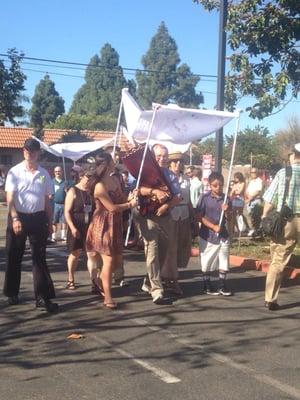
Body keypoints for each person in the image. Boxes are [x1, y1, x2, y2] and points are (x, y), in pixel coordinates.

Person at [3, 138, 58, 313]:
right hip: (19, 217)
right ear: (23, 151)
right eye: (27, 151)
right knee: (14, 255)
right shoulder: (15, 171)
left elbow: (47, 201)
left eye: (33, 151)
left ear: (38, 153)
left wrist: (50, 222)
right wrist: (15, 218)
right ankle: (12, 293)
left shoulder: (43, 174)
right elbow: (10, 198)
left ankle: (42, 297)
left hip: (38, 218)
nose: (30, 154)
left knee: (39, 258)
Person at [86, 152, 137, 309]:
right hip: (102, 225)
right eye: (112, 159)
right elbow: (112, 208)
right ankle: (108, 296)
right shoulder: (99, 186)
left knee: (115, 260)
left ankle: (100, 281)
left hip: (115, 224)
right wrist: (130, 205)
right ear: (107, 163)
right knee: (108, 261)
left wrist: (131, 197)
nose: (116, 160)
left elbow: (121, 200)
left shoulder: (115, 179)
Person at [135, 143, 182, 304]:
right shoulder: (145, 172)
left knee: (162, 252)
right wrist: (154, 191)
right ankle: (157, 289)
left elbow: (177, 197)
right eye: (159, 156)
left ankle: (148, 282)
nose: (162, 159)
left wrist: (166, 206)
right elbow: (137, 190)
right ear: (153, 157)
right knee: (152, 251)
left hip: (165, 217)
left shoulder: (171, 176)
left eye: (165, 156)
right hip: (148, 217)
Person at [262, 144, 300, 311]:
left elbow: (269, 199)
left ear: (293, 155)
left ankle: (271, 298)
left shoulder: (283, 173)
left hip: (287, 221)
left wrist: (264, 216)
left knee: (278, 260)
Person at [196, 171, 233, 296]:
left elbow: (230, 217)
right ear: (210, 185)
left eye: (220, 185)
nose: (218, 188)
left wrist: (227, 211)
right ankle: (207, 284)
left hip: (223, 234)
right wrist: (212, 226)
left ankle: (222, 285)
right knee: (207, 261)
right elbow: (199, 216)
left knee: (224, 260)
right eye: (215, 185)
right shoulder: (204, 198)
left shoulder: (226, 198)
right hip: (207, 235)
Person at [161, 152, 192, 296]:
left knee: (182, 246)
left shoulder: (186, 179)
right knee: (171, 247)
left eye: (180, 161)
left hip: (184, 214)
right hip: (171, 214)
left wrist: (193, 216)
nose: (177, 164)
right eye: (174, 161)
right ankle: (172, 278)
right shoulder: (165, 177)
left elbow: (189, 199)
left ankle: (170, 274)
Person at [64, 167, 95, 290]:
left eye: (91, 178)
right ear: (81, 177)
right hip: (76, 226)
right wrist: (72, 227)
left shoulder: (91, 191)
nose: (89, 181)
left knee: (91, 254)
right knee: (75, 253)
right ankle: (70, 279)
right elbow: (67, 212)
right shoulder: (73, 190)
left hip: (90, 227)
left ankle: (94, 282)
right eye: (88, 178)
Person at [50, 166, 69, 242]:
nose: (57, 173)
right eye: (56, 171)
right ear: (54, 172)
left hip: (64, 204)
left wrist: (67, 191)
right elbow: (49, 193)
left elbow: (69, 194)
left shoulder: (66, 182)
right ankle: (53, 236)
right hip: (54, 204)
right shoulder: (51, 182)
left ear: (62, 172)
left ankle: (63, 235)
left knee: (64, 220)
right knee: (54, 221)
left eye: (59, 171)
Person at [245, 167, 263, 236]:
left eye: (255, 172)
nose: (253, 174)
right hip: (250, 201)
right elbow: (247, 191)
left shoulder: (259, 181)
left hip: (256, 201)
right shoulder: (251, 182)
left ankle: (258, 232)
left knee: (256, 217)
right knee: (250, 216)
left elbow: (258, 191)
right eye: (252, 172)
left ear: (257, 173)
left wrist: (250, 198)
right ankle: (253, 230)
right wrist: (249, 197)